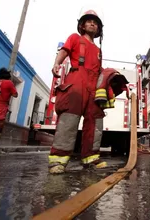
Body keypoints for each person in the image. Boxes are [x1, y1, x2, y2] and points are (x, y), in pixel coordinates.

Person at [48, 10, 108, 174]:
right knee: (69, 119)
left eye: (95, 22)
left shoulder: (98, 50)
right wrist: (57, 63)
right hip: (76, 81)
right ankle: (58, 160)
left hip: (93, 85)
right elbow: (64, 50)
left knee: (95, 121)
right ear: (82, 25)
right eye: (89, 21)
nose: (92, 24)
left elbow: (98, 70)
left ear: (98, 29)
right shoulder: (74, 38)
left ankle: (91, 158)